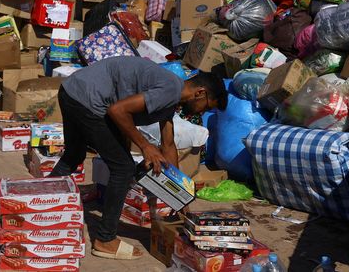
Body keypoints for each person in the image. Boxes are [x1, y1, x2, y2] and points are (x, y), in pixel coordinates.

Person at [47, 57, 227, 260]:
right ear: (200, 93)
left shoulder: (172, 96)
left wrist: (181, 197)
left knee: (74, 155)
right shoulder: (170, 90)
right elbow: (117, 110)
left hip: (71, 91)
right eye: (206, 106)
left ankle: (41, 205)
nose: (203, 112)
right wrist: (145, 146)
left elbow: (168, 145)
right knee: (123, 168)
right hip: (88, 100)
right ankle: (105, 240)